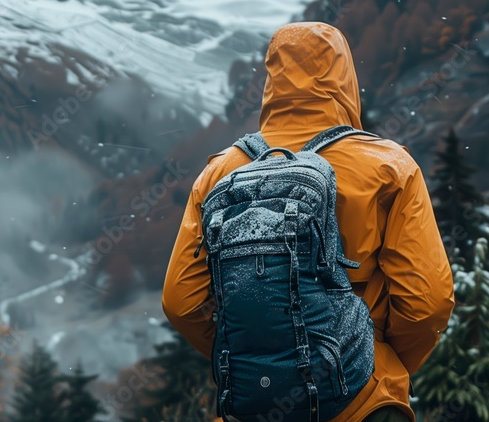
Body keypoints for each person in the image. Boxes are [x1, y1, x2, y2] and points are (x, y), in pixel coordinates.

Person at [161, 21, 455, 422]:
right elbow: (427, 304)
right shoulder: (389, 167)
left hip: (255, 403)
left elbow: (181, 303)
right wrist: (371, 360)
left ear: (271, 79)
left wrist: (261, 356)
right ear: (344, 78)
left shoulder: (221, 172)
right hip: (364, 402)